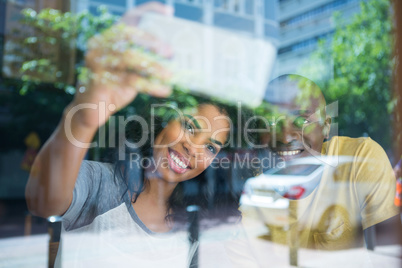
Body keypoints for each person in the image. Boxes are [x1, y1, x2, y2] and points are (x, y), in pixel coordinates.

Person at [25, 3, 251, 267]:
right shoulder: (101, 183)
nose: (194, 148)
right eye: (190, 127)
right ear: (162, 122)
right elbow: (42, 202)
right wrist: (83, 120)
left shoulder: (193, 222)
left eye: (211, 147)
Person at [241, 74, 400, 264]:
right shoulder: (271, 179)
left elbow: (386, 250)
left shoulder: (359, 157)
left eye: (301, 121)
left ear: (326, 127)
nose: (287, 136)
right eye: (276, 123)